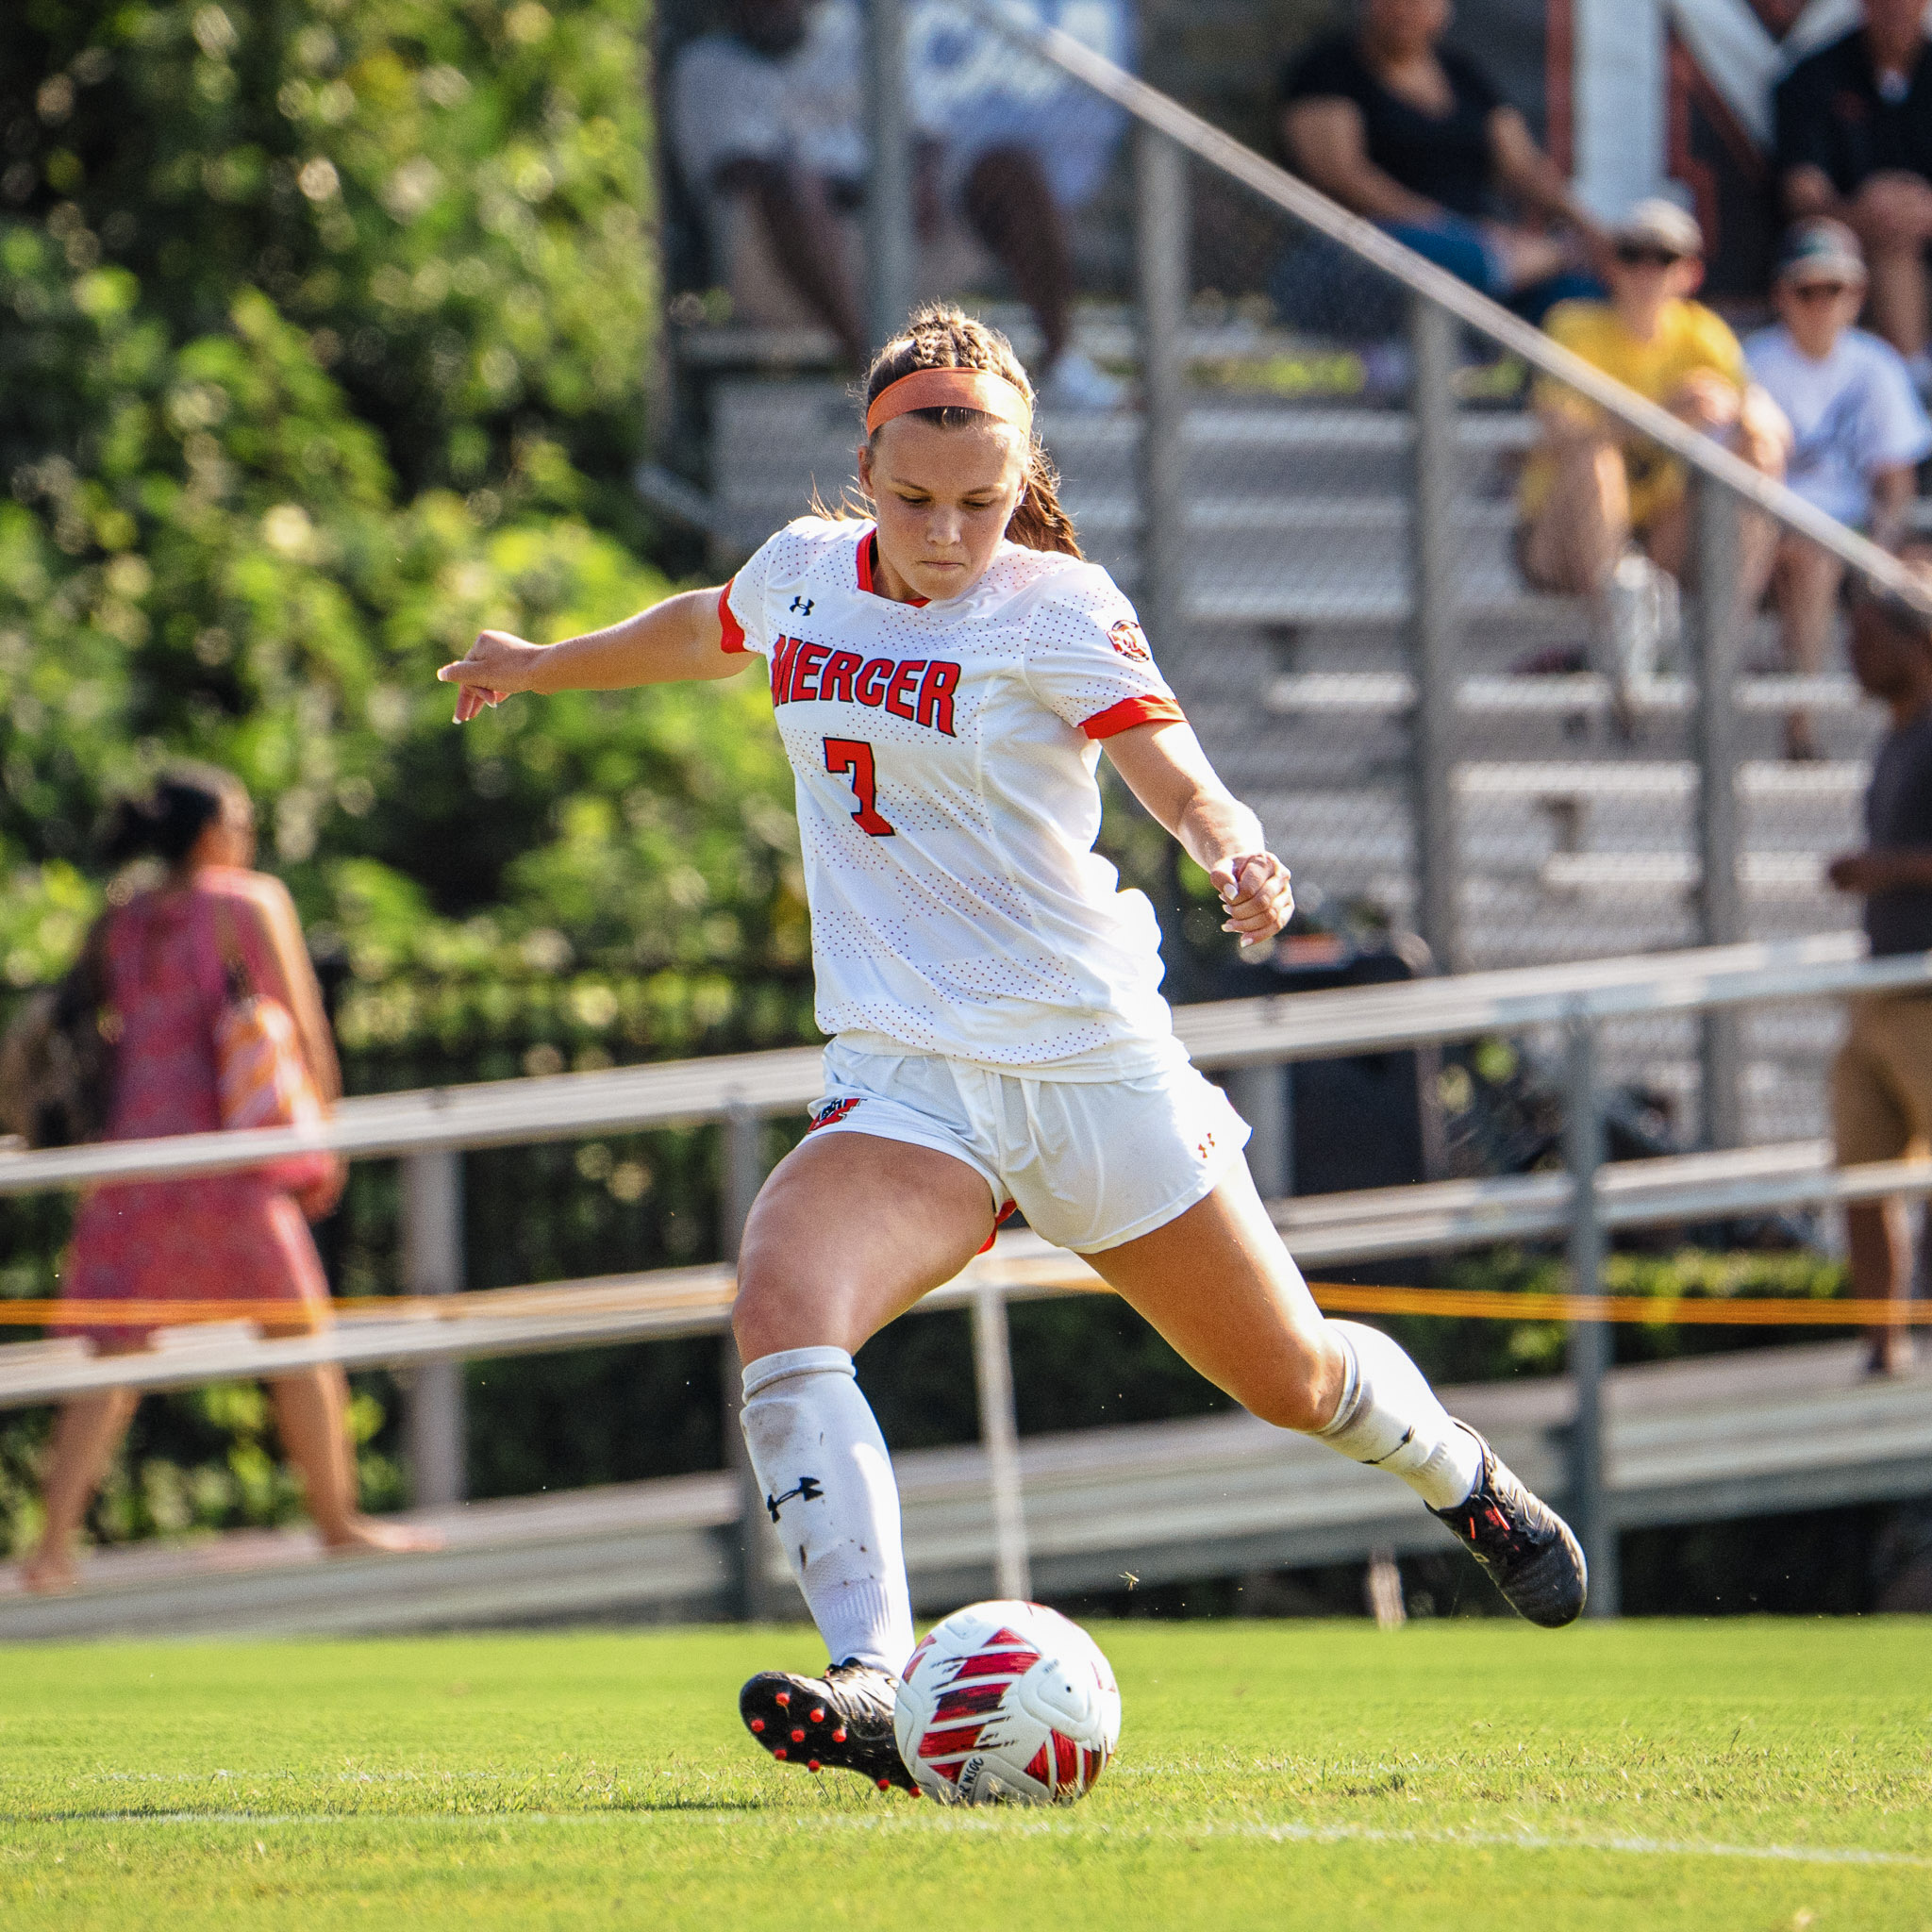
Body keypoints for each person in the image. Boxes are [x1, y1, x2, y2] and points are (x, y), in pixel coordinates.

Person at [439, 303, 1588, 1795]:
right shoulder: (801, 573)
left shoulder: (1055, 603)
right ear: (865, 469)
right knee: (784, 1295)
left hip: (1091, 1072)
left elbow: (1176, 774)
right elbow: (703, 628)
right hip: (911, 1079)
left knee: (1296, 1379)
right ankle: (876, 1676)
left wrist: (1238, 851)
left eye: (980, 504)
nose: (947, 532)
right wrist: (541, 662)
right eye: (914, 502)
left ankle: (1465, 1481)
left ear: (1022, 477)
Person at [18, 767, 440, 1593]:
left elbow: (80, 1022)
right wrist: (325, 1139)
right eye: (241, 822)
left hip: (132, 1165)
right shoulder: (247, 903)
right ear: (212, 833)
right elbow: (304, 1022)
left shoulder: (122, 918)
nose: (247, 837)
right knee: (299, 1336)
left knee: (112, 1359)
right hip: (225, 1164)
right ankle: (338, 1522)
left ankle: (50, 1551)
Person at [669, 0, 1121, 405]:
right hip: (782, 266)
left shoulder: (857, 37)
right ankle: (873, 381)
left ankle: (1062, 363)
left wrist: (916, 179)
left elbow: (927, 131)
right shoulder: (706, 67)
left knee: (1009, 167)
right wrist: (875, 187)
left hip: (898, 236)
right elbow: (742, 172)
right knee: (792, 184)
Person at [1517, 198, 1790, 711]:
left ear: (1690, 273)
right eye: (1631, 255)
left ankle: (1720, 657)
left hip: (1660, 539)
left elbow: (1771, 431)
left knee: (1757, 465)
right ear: (1610, 265)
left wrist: (1741, 417)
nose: (1645, 272)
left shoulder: (1702, 332)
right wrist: (1664, 413)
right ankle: (1625, 657)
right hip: (1561, 538)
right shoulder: (1573, 324)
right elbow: (1561, 435)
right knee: (1596, 465)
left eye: (1662, 259)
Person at [1274, 0, 1604, 337]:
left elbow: (1524, 165)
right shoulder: (1326, 69)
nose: (1404, 11)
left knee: (1579, 296)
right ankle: (1548, 256)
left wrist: (1590, 230)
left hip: (1480, 254)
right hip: (1360, 258)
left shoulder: (1463, 73)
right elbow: (1341, 175)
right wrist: (1452, 231)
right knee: (1467, 258)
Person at [1746, 220, 1932, 759]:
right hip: (1768, 526)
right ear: (1783, 295)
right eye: (1809, 290)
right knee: (1810, 557)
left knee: (1906, 575)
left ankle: (1911, 736)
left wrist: (1879, 543)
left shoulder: (1876, 365)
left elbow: (1894, 482)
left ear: (1858, 296)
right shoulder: (1755, 360)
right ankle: (1795, 727)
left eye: (1837, 289)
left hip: (1851, 532)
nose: (1822, 304)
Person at [1827, 557, 1932, 1378]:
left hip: (1925, 992)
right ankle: (1882, 1347)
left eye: (1866, 638)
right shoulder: (1897, 732)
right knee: (1862, 1174)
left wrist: (1885, 870)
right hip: (1878, 989)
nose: (1850, 654)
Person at [1775, 0, 1932, 377]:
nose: (1897, 9)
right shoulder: (1816, 76)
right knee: (1892, 250)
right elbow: (1801, 195)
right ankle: (1914, 389)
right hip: (1852, 252)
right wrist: (1866, 213)